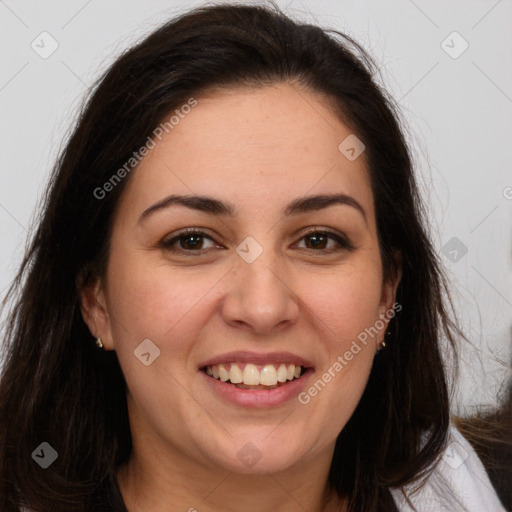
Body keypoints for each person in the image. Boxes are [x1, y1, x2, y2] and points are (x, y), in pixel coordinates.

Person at [0, 3, 508, 511]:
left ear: (387, 294)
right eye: (192, 241)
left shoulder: (467, 488)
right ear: (97, 300)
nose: (263, 308)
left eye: (318, 240)